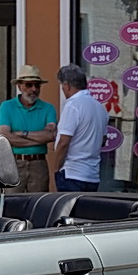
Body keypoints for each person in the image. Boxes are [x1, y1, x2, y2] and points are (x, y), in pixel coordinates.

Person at [0, 64, 56, 192]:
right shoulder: (7, 106)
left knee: (39, 204)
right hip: (14, 162)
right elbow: (4, 136)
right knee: (12, 204)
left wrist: (22, 133)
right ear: (19, 86)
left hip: (38, 164)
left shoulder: (48, 108)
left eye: (37, 85)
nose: (34, 89)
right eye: (29, 85)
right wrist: (37, 140)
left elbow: (50, 135)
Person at [49, 64, 105, 193]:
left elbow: (64, 142)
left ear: (67, 85)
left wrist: (56, 169)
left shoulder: (73, 106)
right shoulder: (99, 107)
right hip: (92, 174)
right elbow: (103, 140)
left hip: (72, 173)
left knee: (68, 211)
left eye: (62, 86)